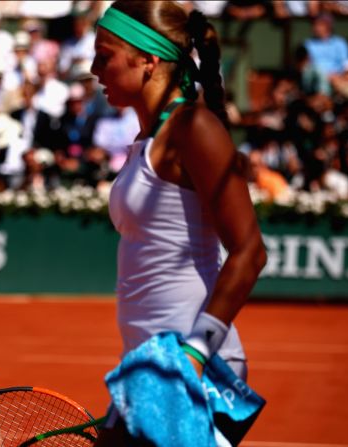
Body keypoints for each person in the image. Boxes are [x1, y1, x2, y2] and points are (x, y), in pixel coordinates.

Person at [89, 2, 267, 445]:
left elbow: (250, 252)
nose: (94, 69)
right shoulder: (147, 139)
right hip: (149, 364)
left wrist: (195, 352)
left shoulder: (194, 128)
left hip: (190, 366)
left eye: (105, 55)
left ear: (147, 60)